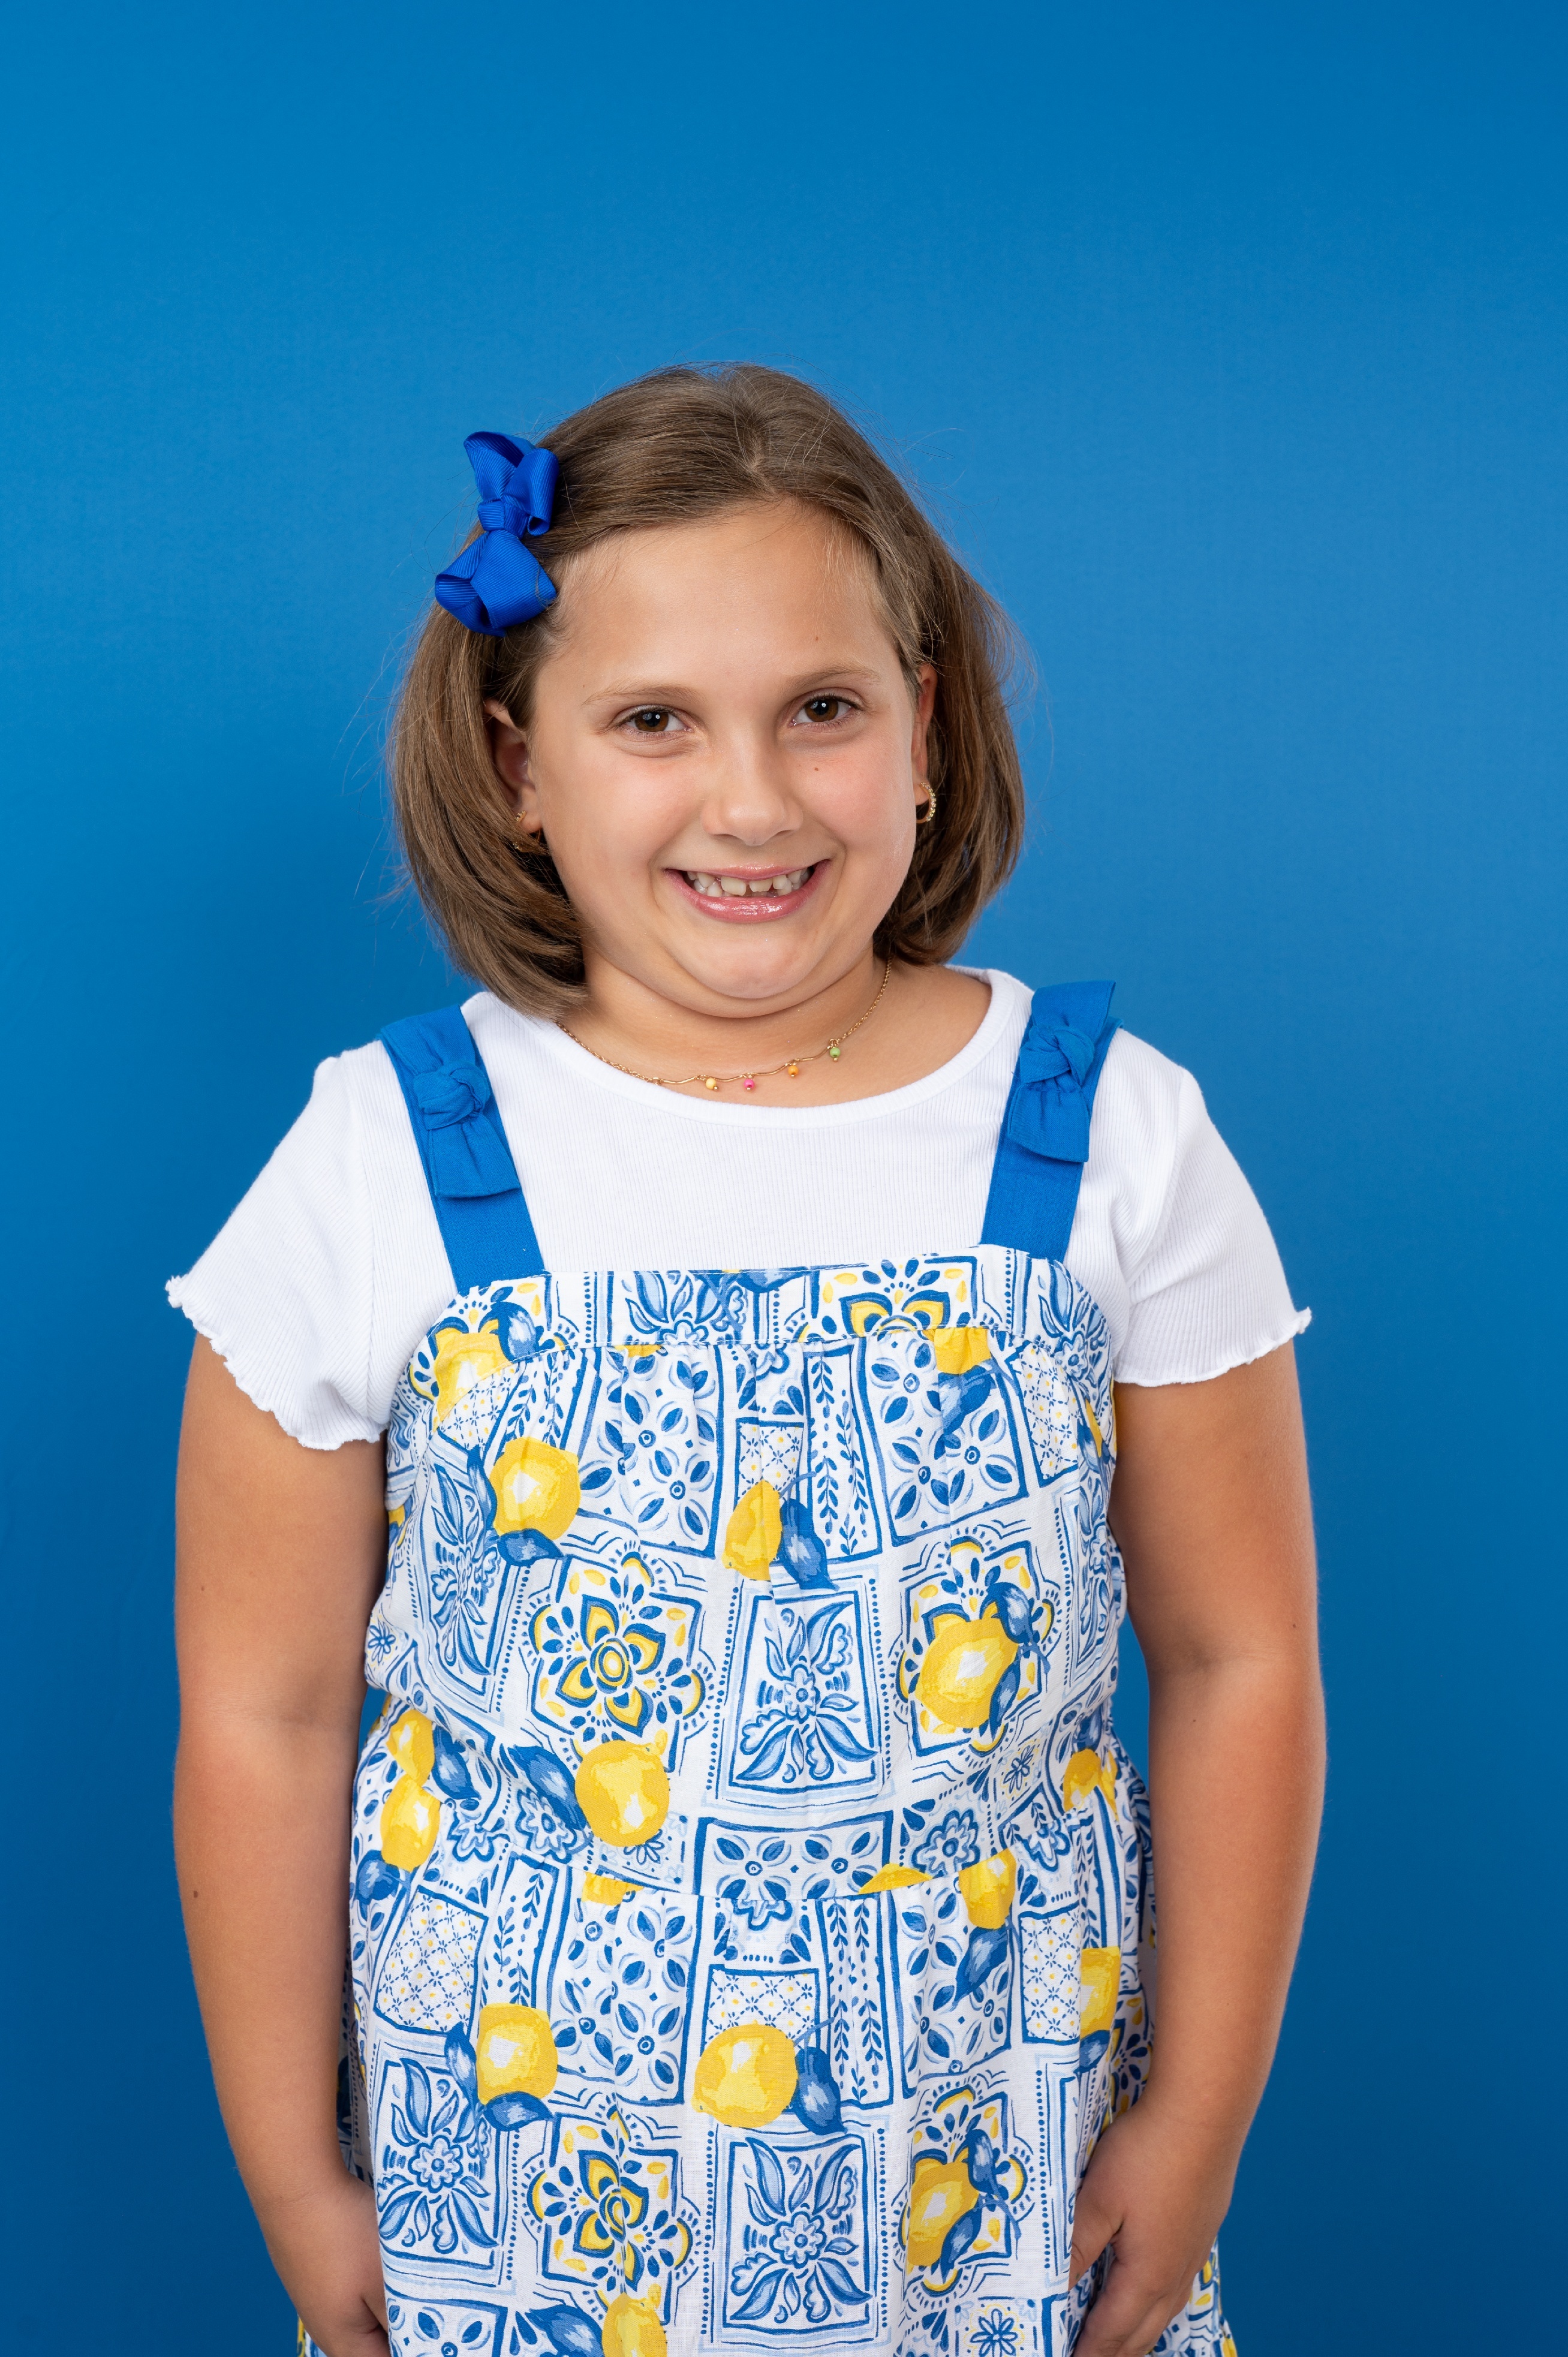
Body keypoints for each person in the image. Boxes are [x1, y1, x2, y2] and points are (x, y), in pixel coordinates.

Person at [170, 364, 1323, 2357]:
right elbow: (263, 1714)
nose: (754, 800)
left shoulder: (1107, 1136)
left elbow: (1241, 1657)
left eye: (823, 709)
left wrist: (1199, 2120)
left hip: (998, 2187)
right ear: (519, 763)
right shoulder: (385, 1159)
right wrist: (293, 2170)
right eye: (654, 722)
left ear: (927, 733)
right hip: (510, 2213)